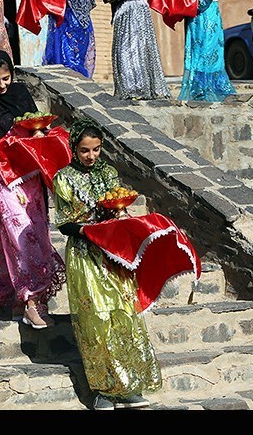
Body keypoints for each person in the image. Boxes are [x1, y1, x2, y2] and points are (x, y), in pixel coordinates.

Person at [52, 118, 162, 410]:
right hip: (85, 253)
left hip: (114, 253)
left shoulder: (110, 174)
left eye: (97, 150)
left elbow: (118, 208)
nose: (91, 156)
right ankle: (102, 390)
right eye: (85, 150)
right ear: (74, 149)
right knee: (97, 320)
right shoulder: (62, 177)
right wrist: (89, 230)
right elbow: (64, 224)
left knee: (124, 315)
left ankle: (128, 386)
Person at [0, 50, 67, 329]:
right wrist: (7, 146)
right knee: (17, 238)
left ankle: (34, 302)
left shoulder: (21, 94)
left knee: (36, 233)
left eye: (6, 78)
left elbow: (34, 125)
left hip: (31, 178)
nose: (2, 85)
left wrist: (37, 136)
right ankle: (29, 300)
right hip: (4, 178)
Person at [100, 0, 171, 100]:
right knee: (122, 51)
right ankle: (128, 89)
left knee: (132, 51)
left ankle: (137, 89)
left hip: (134, 16)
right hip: (123, 15)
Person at [178, 0, 236, 102]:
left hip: (207, 20)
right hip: (195, 20)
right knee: (196, 52)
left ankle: (213, 89)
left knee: (207, 52)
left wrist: (186, 7)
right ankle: (198, 90)